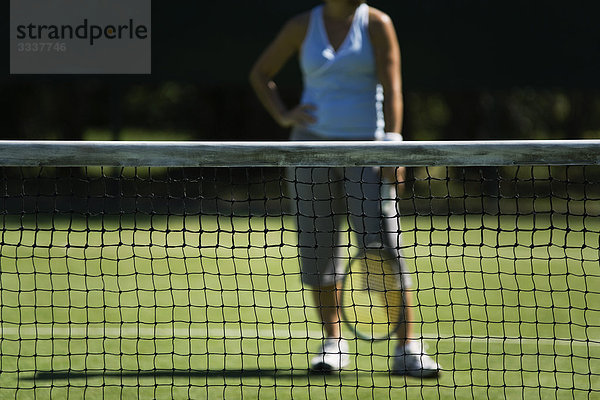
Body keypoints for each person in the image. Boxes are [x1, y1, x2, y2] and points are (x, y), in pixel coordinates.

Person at [249, 0, 440, 377]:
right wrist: (284, 114)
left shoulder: (377, 23)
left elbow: (393, 86)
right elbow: (261, 73)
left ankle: (407, 350)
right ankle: (333, 344)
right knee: (318, 250)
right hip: (309, 150)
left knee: (384, 250)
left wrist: (392, 146)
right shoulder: (301, 25)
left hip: (368, 151)